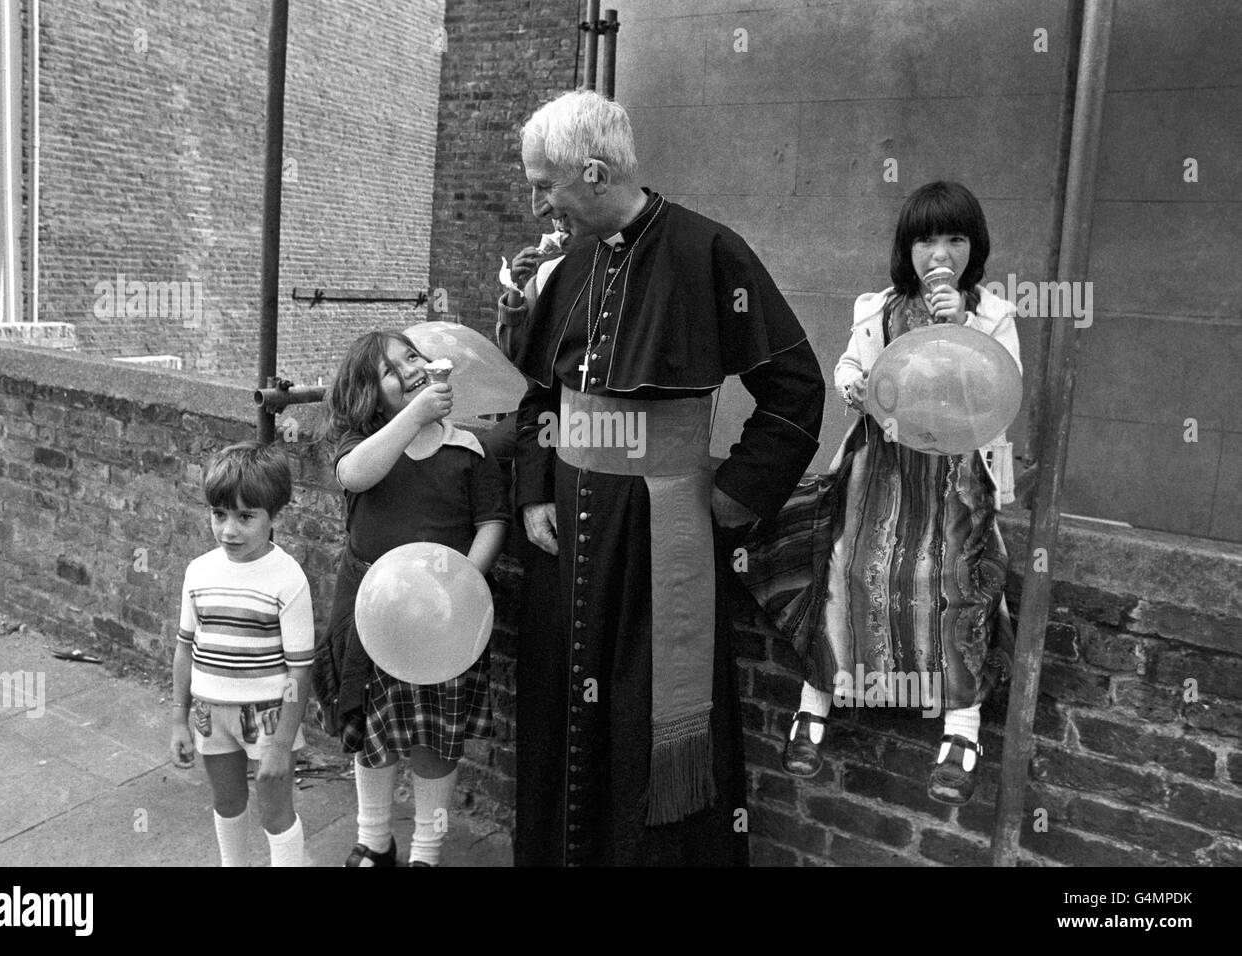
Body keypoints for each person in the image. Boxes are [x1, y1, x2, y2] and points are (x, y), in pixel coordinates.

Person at [510, 90, 825, 866]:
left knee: (648, 718)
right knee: (564, 713)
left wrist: (730, 497)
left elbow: (796, 391)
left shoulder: (710, 252)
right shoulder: (567, 266)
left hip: (660, 537)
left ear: (592, 171)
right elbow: (537, 396)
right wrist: (534, 488)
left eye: (545, 183)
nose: (538, 200)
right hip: (569, 532)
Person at [745, 181, 1019, 806]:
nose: (940, 253)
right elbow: (847, 366)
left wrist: (962, 336)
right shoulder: (879, 308)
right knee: (846, 564)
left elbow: (1004, 397)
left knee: (953, 577)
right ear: (907, 247)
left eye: (955, 238)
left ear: (974, 248)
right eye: (927, 239)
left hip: (952, 475)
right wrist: (855, 386)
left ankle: (962, 728)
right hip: (882, 466)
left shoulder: (993, 316)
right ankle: (814, 704)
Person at [311, 330, 509, 867]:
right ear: (367, 395)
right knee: (374, 738)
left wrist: (465, 582)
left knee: (434, 743)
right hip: (374, 620)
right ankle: (374, 840)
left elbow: (492, 521)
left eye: (415, 357)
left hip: (444, 624)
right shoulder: (364, 448)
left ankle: (426, 850)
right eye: (393, 369)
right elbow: (355, 474)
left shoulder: (468, 449)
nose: (413, 368)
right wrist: (414, 418)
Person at [169, 442, 314, 867]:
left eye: (245, 516)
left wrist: (282, 742)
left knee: (275, 811)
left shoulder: (288, 579)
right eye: (220, 514)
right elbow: (184, 647)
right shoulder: (199, 571)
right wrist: (179, 716)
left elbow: (298, 672)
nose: (229, 530)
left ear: (274, 515)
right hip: (210, 713)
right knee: (227, 803)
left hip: (269, 716)